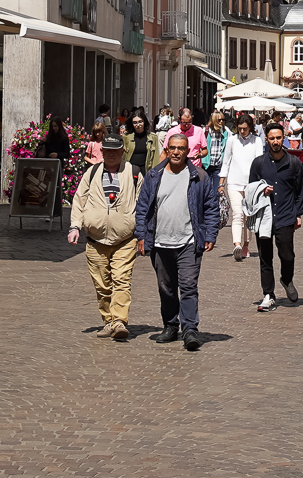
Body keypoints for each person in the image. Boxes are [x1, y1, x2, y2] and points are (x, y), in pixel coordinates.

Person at [133, 134, 220, 350]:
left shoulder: (198, 176)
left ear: (187, 150)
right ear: (167, 149)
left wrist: (210, 234)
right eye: (172, 148)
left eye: (181, 148)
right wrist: (141, 236)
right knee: (167, 288)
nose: (176, 152)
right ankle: (170, 326)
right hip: (160, 242)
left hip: (189, 242)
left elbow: (211, 207)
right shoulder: (154, 175)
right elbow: (143, 207)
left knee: (189, 286)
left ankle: (190, 329)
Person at [68, 134, 140, 340]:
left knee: (121, 280)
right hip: (95, 240)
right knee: (102, 285)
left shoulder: (133, 173)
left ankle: (119, 322)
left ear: (121, 152)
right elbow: (79, 200)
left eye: (115, 151)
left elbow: (142, 205)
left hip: (125, 240)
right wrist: (75, 227)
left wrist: (142, 233)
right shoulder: (91, 173)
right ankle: (108, 321)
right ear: (102, 152)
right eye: (107, 150)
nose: (110, 154)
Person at [247, 122, 303, 310]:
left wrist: (298, 214)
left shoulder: (294, 163)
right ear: (267, 139)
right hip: (264, 216)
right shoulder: (258, 163)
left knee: (287, 255)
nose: (275, 141)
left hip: (286, 215)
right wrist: (261, 190)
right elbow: (250, 189)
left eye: (278, 138)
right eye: (271, 138)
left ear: (284, 138)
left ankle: (286, 280)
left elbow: (299, 191)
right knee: (265, 257)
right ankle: (268, 293)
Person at [222, 114, 266, 262]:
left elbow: (260, 162)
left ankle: (246, 244)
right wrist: (221, 183)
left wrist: (261, 183)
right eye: (240, 129)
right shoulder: (231, 140)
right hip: (234, 183)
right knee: (237, 214)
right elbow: (226, 162)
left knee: (249, 216)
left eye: (245, 129)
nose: (242, 132)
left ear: (251, 128)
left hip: (251, 185)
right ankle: (237, 245)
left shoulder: (257, 141)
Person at [122, 112, 159, 177]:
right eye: (135, 122)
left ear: (144, 122)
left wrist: (154, 173)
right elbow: (122, 156)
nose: (138, 125)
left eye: (140, 122)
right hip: (130, 171)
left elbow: (155, 157)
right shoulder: (126, 137)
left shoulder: (153, 137)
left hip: (146, 170)